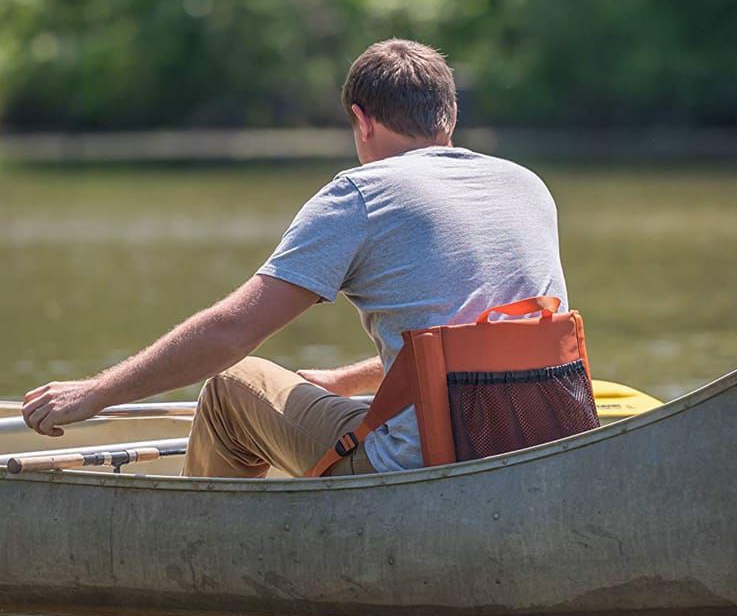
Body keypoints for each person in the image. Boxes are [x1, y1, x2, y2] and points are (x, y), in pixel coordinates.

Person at [22, 39, 568, 477]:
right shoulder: (526, 184)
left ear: (362, 120)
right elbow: (480, 333)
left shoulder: (360, 194)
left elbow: (230, 334)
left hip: (425, 461)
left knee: (232, 385)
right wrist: (344, 380)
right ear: (448, 116)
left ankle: (208, 555)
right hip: (534, 438)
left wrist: (93, 394)